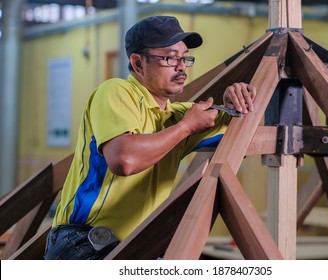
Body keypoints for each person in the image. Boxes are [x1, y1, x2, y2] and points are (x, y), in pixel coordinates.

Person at [44, 15, 256, 260]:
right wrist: (186, 127)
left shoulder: (178, 116)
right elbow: (124, 159)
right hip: (83, 244)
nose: (181, 67)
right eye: (169, 57)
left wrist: (236, 98)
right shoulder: (116, 91)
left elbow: (241, 131)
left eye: (184, 57)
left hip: (136, 246)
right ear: (137, 63)